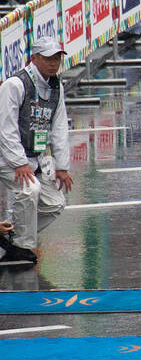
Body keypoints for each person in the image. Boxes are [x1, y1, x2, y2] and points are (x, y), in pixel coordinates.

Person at [0, 36, 72, 266]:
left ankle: (11, 236)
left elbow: (59, 126)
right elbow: (5, 127)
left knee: (54, 204)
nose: (54, 63)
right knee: (30, 190)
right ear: (35, 58)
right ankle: (20, 247)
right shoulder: (15, 85)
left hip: (34, 157)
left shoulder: (56, 87)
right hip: (7, 157)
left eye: (57, 58)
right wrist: (18, 162)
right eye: (49, 58)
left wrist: (62, 166)